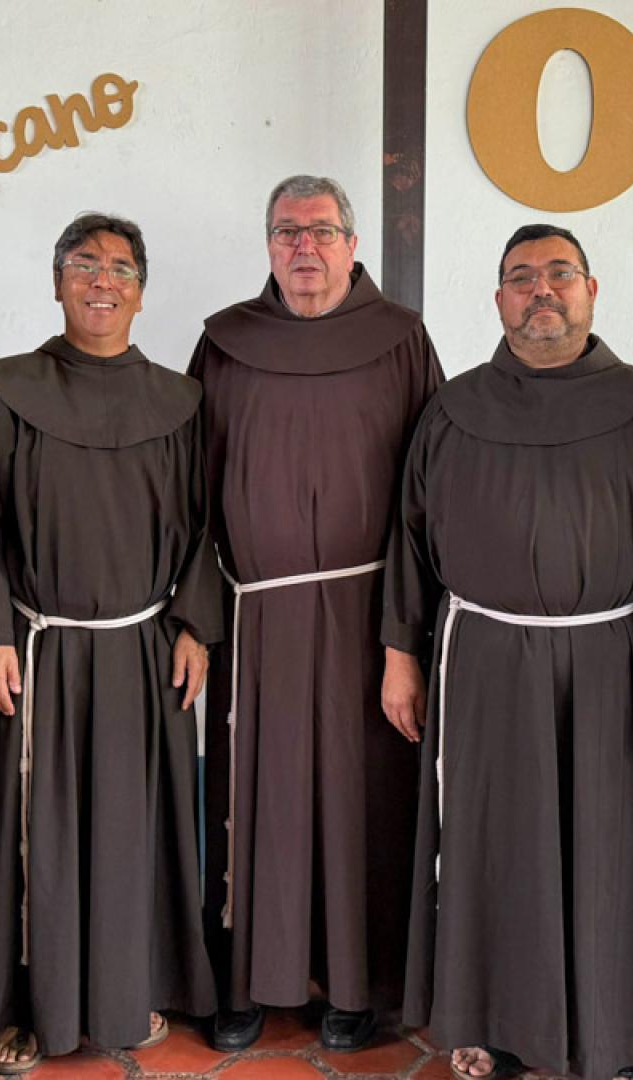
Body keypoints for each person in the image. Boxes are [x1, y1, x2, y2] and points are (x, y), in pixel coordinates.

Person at [382, 223, 633, 1080]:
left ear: (590, 290)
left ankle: (613, 1034)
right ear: (498, 298)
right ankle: (492, 1025)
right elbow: (411, 540)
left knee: (610, 850)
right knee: (492, 850)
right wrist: (401, 653)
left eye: (559, 274)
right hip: (483, 665)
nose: (541, 289)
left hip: (608, 662)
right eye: (521, 277)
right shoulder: (452, 410)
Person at [0, 213, 220, 1073]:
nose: (103, 281)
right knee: (35, 838)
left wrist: (196, 624)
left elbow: (206, 524)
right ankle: (30, 1008)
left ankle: (123, 992)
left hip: (140, 651)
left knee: (131, 832)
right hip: (38, 648)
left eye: (121, 268)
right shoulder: (12, 390)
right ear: (57, 281)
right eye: (85, 264)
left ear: (142, 291)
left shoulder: (180, 402)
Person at [189, 175, 443, 1052]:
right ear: (268, 245)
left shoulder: (401, 340)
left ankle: (354, 983)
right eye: (288, 231)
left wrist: (405, 637)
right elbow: (188, 490)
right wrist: (195, 619)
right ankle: (248, 980)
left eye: (322, 231)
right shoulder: (226, 344)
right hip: (254, 620)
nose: (305, 246)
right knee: (254, 798)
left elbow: (427, 495)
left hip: (368, 618)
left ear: (352, 244)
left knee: (357, 799)